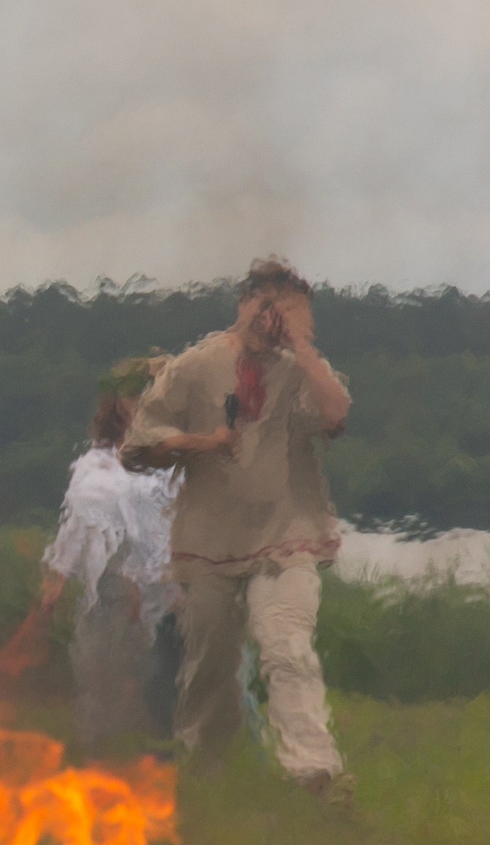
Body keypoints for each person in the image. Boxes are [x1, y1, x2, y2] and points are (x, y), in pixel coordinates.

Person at [124, 259, 354, 802]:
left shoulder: (301, 369)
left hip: (287, 532)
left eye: (286, 309)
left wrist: (303, 347)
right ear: (242, 303)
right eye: (263, 302)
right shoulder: (194, 366)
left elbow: (336, 417)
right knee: (211, 664)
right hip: (209, 540)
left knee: (286, 647)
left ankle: (315, 774)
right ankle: (208, 773)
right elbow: (138, 446)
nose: (269, 318)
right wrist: (202, 442)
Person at [34, 356, 181, 757]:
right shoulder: (96, 461)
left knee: (167, 671)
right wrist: (58, 576)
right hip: (114, 576)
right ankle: (98, 749)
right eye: (134, 393)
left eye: (152, 391)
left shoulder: (179, 454)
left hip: (173, 578)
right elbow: (78, 520)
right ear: (117, 402)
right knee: (101, 665)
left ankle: (168, 746)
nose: (141, 401)